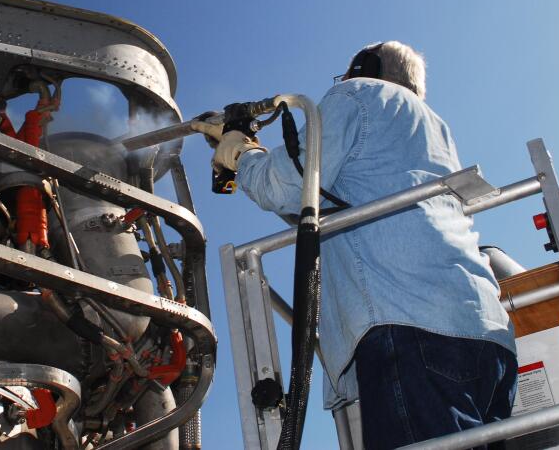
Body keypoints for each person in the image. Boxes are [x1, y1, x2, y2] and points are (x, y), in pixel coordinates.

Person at [195, 41, 517, 449]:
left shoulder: (359, 94)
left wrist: (242, 153)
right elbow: (318, 207)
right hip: (485, 338)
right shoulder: (430, 127)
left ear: (365, 67)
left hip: (409, 327)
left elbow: (290, 184)